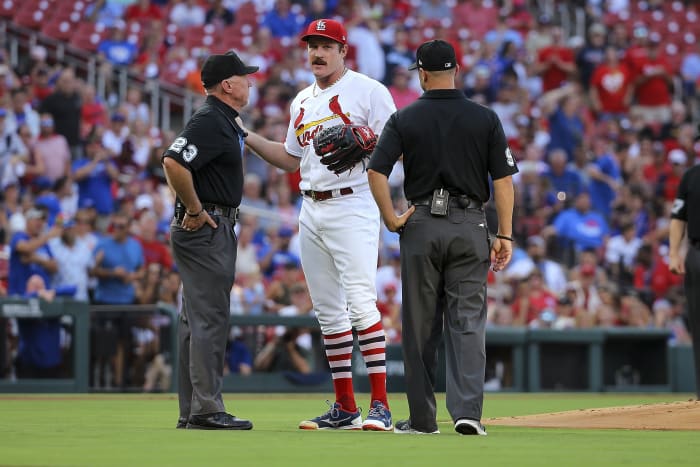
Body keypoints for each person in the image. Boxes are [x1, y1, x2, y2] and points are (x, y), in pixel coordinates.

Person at [242, 18, 396, 431]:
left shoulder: (369, 91)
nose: (317, 52)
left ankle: (380, 404)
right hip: (311, 207)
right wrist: (247, 137)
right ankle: (346, 407)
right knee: (328, 313)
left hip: (353, 203)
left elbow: (399, 145)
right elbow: (291, 159)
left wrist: (370, 141)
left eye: (326, 44)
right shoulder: (301, 101)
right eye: (312, 44)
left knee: (361, 302)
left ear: (343, 50)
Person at [366, 39, 518, 435]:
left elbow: (375, 172)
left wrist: (391, 218)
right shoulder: (485, 118)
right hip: (471, 224)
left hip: (421, 224)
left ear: (422, 73)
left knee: (419, 327)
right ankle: (467, 414)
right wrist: (506, 233)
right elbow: (503, 181)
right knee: (467, 321)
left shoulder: (405, 118)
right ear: (457, 70)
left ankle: (422, 420)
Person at [161, 50, 255, 431]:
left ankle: (193, 410)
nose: (250, 82)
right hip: (207, 225)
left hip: (207, 224)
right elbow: (172, 161)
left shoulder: (223, 120)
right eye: (245, 77)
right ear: (228, 85)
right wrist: (196, 209)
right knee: (209, 319)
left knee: (196, 320)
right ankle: (206, 409)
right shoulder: (211, 119)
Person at [669, 162, 700, 399]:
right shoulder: (691, 176)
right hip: (697, 252)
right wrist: (673, 253)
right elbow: (678, 217)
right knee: (698, 324)